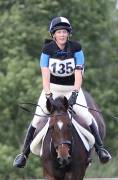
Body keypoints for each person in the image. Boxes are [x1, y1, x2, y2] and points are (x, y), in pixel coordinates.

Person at [13, 16, 111, 168]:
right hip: (51, 88)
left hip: (71, 89)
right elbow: (45, 75)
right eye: (59, 32)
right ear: (54, 34)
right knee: (36, 120)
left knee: (87, 116)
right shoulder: (47, 50)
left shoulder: (77, 48)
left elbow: (79, 74)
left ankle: (100, 150)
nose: (62, 35)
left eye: (65, 31)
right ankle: (23, 155)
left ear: (68, 33)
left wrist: (75, 94)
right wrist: (48, 95)